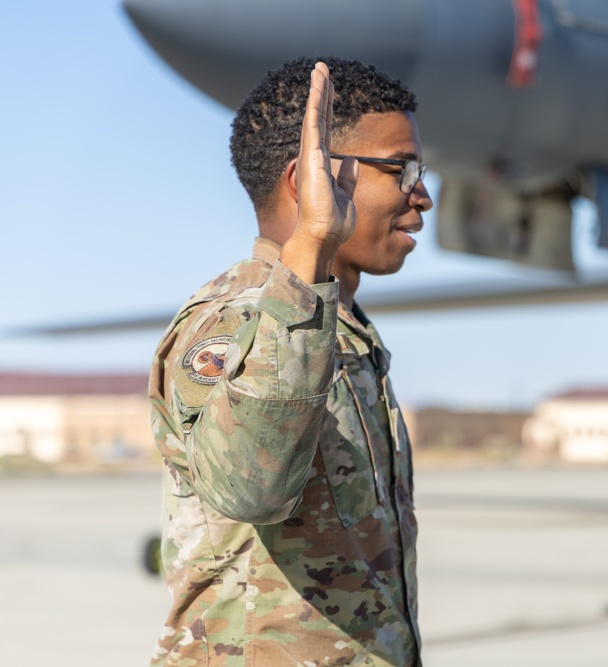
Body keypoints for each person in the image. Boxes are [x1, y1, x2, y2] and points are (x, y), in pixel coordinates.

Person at [148, 57, 432, 666]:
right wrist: (311, 244)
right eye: (400, 169)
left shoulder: (342, 326)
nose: (423, 196)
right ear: (309, 181)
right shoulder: (234, 320)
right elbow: (252, 485)